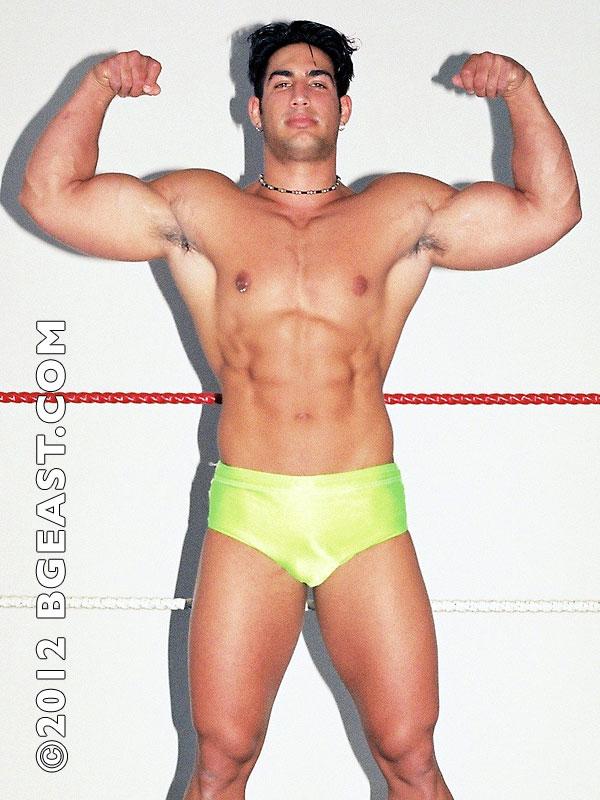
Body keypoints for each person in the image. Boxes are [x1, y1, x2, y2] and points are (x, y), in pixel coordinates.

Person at [20, 19, 580, 800]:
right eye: (281, 80)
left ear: (344, 108)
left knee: (410, 756)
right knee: (221, 760)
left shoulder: (400, 211)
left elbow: (551, 209)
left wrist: (518, 89)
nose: (301, 94)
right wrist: (98, 85)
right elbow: (48, 195)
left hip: (363, 510)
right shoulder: (201, 208)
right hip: (251, 512)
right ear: (254, 108)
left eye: (319, 81)